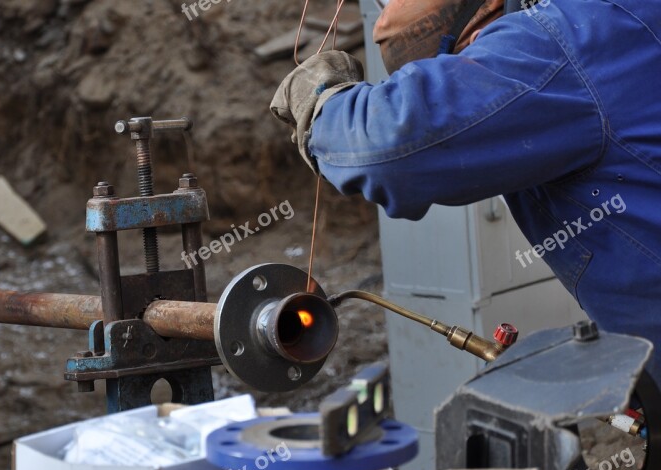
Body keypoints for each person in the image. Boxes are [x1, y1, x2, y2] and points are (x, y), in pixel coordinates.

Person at [271, 0, 661, 379]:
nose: (479, 63)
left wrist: (320, 100)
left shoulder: (565, 38)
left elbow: (389, 146)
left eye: (474, 52)